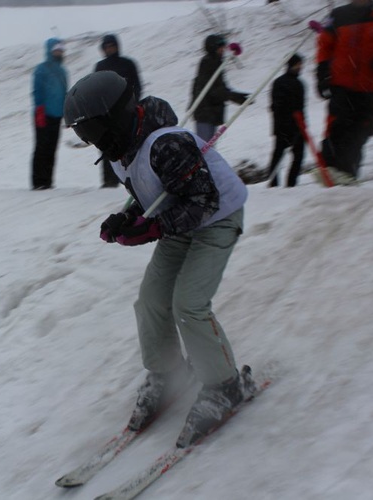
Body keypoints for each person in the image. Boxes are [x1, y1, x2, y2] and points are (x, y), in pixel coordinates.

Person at [63, 71, 249, 448]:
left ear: (113, 118)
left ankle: (225, 385)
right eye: (84, 136)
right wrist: (129, 218)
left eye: (92, 132)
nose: (91, 142)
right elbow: (157, 194)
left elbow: (203, 201)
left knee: (189, 304)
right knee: (150, 300)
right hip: (180, 226)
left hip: (217, 220)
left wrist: (150, 230)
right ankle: (169, 374)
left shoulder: (168, 144)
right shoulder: (120, 153)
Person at [315, 0, 373, 185]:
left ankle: (349, 172)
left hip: (367, 88)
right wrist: (322, 74)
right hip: (341, 85)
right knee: (337, 128)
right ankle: (330, 168)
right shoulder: (337, 16)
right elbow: (324, 46)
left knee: (361, 131)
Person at [95, 33, 143, 188]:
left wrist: (131, 103)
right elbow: (94, 90)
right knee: (107, 146)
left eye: (112, 46)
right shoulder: (100, 66)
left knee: (128, 146)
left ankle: (130, 179)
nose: (110, 49)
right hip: (106, 113)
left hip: (125, 112)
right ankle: (109, 181)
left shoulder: (128, 64)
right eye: (107, 47)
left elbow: (137, 86)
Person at [190, 34, 249, 142]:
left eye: (223, 46)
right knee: (204, 148)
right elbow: (213, 90)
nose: (223, 49)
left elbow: (220, 87)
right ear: (213, 47)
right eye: (220, 47)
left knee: (208, 148)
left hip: (210, 112)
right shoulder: (208, 63)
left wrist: (237, 96)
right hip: (205, 112)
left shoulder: (216, 63)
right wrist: (235, 97)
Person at [31, 38, 68, 190]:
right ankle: (38, 181)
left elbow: (65, 93)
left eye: (60, 50)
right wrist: (39, 111)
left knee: (52, 148)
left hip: (57, 115)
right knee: (41, 148)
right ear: (49, 51)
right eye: (55, 50)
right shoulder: (41, 69)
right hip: (43, 115)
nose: (58, 53)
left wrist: (66, 112)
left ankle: (48, 181)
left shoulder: (63, 71)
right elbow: (37, 91)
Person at [267, 53, 306, 187]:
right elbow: (276, 107)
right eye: (298, 64)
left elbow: (301, 108)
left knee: (297, 156)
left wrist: (303, 126)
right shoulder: (280, 83)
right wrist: (285, 125)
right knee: (278, 157)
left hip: (297, 127)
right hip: (284, 127)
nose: (300, 67)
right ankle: (274, 184)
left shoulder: (299, 84)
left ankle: (290, 184)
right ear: (292, 65)